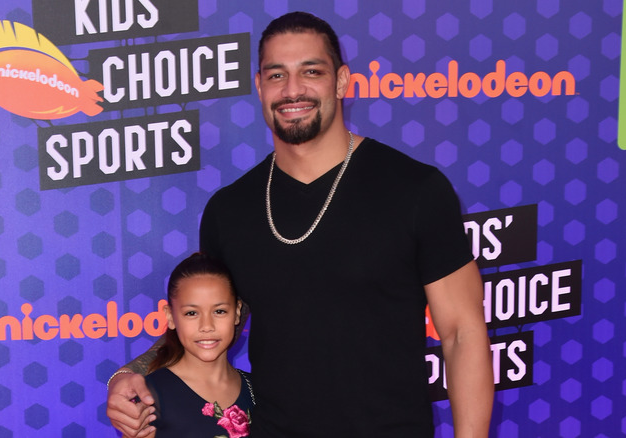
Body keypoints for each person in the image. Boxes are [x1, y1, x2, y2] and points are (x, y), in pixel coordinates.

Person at [107, 11, 494, 437]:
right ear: (259, 87)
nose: (293, 90)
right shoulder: (228, 211)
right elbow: (201, 322)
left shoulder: (416, 190)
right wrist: (130, 372)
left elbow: (462, 333)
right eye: (277, 75)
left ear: (341, 81)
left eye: (311, 71)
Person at [119, 252, 254, 438]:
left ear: (237, 312)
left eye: (219, 311)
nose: (207, 326)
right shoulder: (149, 397)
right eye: (191, 313)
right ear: (170, 317)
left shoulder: (257, 390)